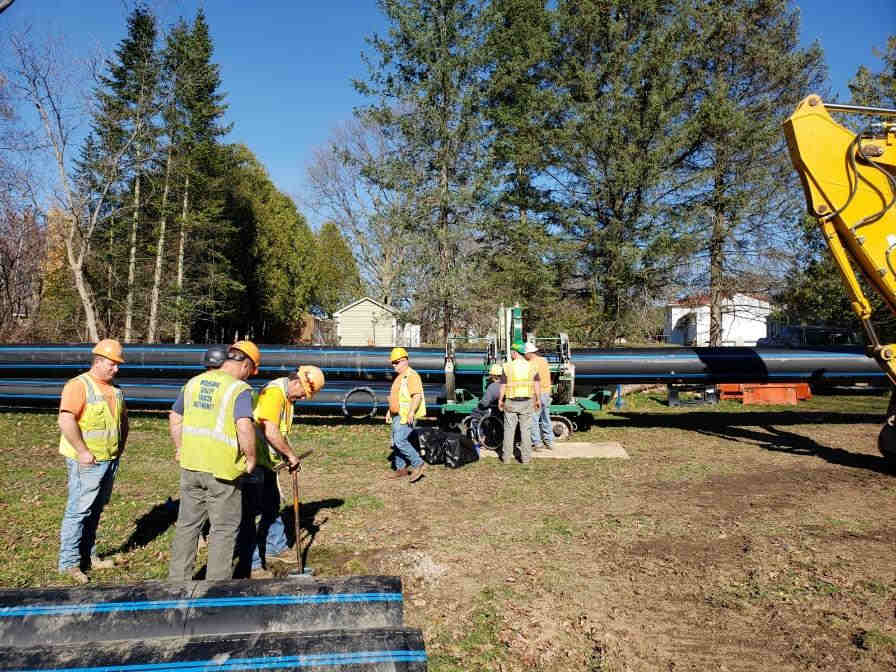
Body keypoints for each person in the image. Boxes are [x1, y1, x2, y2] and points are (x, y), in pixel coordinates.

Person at [168, 340, 259, 581]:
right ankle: (215, 588)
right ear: (246, 366)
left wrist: (180, 448)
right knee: (223, 529)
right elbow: (244, 425)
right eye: (251, 372)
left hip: (191, 465)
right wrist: (250, 458)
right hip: (222, 470)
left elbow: (175, 417)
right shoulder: (238, 389)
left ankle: (177, 584)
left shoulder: (193, 383)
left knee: (188, 525)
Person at [239, 366, 325, 579]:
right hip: (253, 459)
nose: (304, 397)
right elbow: (269, 429)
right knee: (250, 513)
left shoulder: (287, 397)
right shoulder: (275, 393)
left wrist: (287, 456)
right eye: (304, 393)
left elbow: (281, 430)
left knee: (271, 503)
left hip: (268, 460)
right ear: (296, 383)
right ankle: (253, 564)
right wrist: (291, 455)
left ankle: (275, 547)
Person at [57, 339, 128, 584]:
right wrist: (82, 451)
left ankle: (88, 555)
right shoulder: (79, 386)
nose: (116, 369)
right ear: (98, 362)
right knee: (79, 510)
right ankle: (69, 562)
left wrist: (120, 449)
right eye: (112, 364)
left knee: (95, 510)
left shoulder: (115, 390)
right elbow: (66, 421)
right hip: (86, 461)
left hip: (108, 459)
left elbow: (122, 423)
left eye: (118, 365)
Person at [385, 347, 427, 482]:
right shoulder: (400, 377)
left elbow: (416, 396)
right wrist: (389, 411)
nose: (393, 365)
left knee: (400, 440)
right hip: (397, 415)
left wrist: (411, 412)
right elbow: (396, 396)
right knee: (395, 443)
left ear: (404, 361)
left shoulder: (412, 376)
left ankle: (418, 463)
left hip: (405, 416)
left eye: (396, 362)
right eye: (392, 362)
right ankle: (401, 469)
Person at [498, 343, 541, 464]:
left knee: (509, 430)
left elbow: (503, 385)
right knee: (526, 431)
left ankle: (506, 458)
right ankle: (526, 459)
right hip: (527, 402)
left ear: (515, 353)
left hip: (511, 401)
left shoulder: (507, 366)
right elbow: (536, 384)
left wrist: (500, 399)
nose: (511, 354)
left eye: (512, 352)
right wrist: (538, 399)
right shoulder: (532, 367)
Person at [524, 342, 554, 451]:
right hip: (546, 393)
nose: (524, 355)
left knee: (534, 419)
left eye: (525, 353)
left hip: (536, 394)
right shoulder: (544, 361)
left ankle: (537, 444)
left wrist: (535, 398)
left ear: (529, 353)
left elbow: (532, 381)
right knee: (546, 418)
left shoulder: (530, 364)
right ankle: (549, 442)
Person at [469, 363, 503, 451]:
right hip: (501, 410)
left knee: (475, 414)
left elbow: (484, 403)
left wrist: (479, 403)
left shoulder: (492, 387)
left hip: (492, 410)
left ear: (493, 376)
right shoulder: (506, 384)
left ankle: (481, 438)